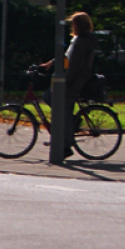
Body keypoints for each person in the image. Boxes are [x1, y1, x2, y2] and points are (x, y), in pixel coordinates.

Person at [39, 11, 97, 159]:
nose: (72, 26)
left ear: (79, 25)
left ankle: (65, 145)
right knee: (51, 99)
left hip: (75, 80)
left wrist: (66, 81)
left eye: (74, 23)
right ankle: (69, 126)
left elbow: (75, 64)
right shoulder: (79, 39)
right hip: (74, 79)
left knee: (62, 109)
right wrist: (51, 63)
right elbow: (66, 56)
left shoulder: (82, 41)